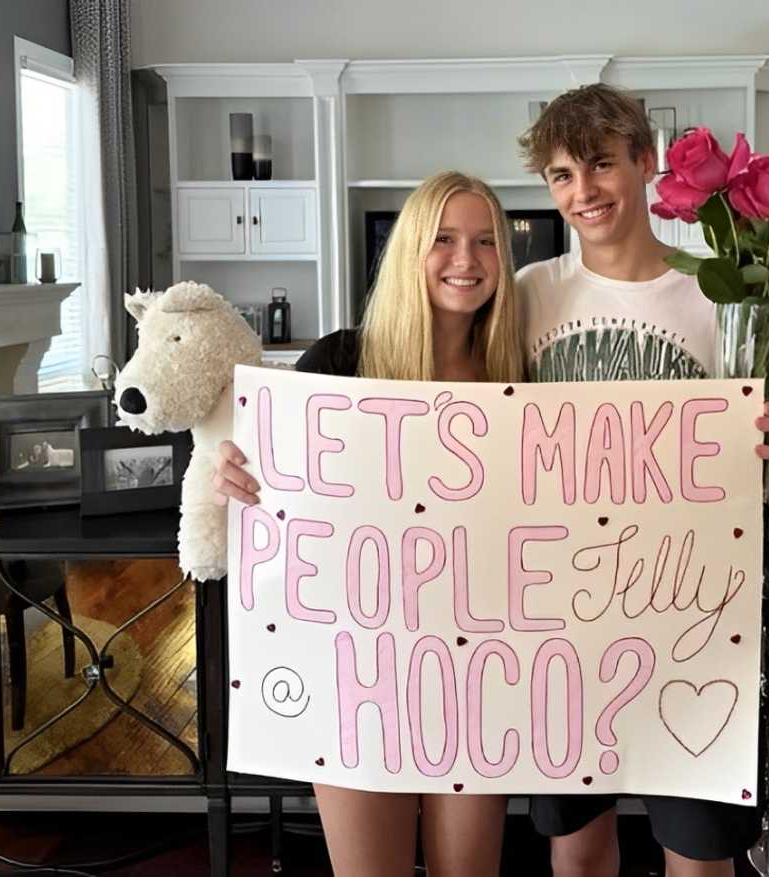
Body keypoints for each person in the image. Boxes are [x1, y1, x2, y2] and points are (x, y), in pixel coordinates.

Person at [516, 83, 769, 877]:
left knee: (700, 857)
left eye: (602, 164)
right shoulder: (527, 296)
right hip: (562, 622)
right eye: (561, 175)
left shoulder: (726, 297)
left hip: (695, 626)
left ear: (645, 161)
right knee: (576, 849)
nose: (583, 192)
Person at [212, 171, 524, 876]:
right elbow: (272, 493)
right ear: (411, 248)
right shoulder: (339, 363)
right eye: (443, 239)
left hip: (479, 677)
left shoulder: (520, 379)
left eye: (485, 242)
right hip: (358, 675)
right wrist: (234, 476)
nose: (465, 260)